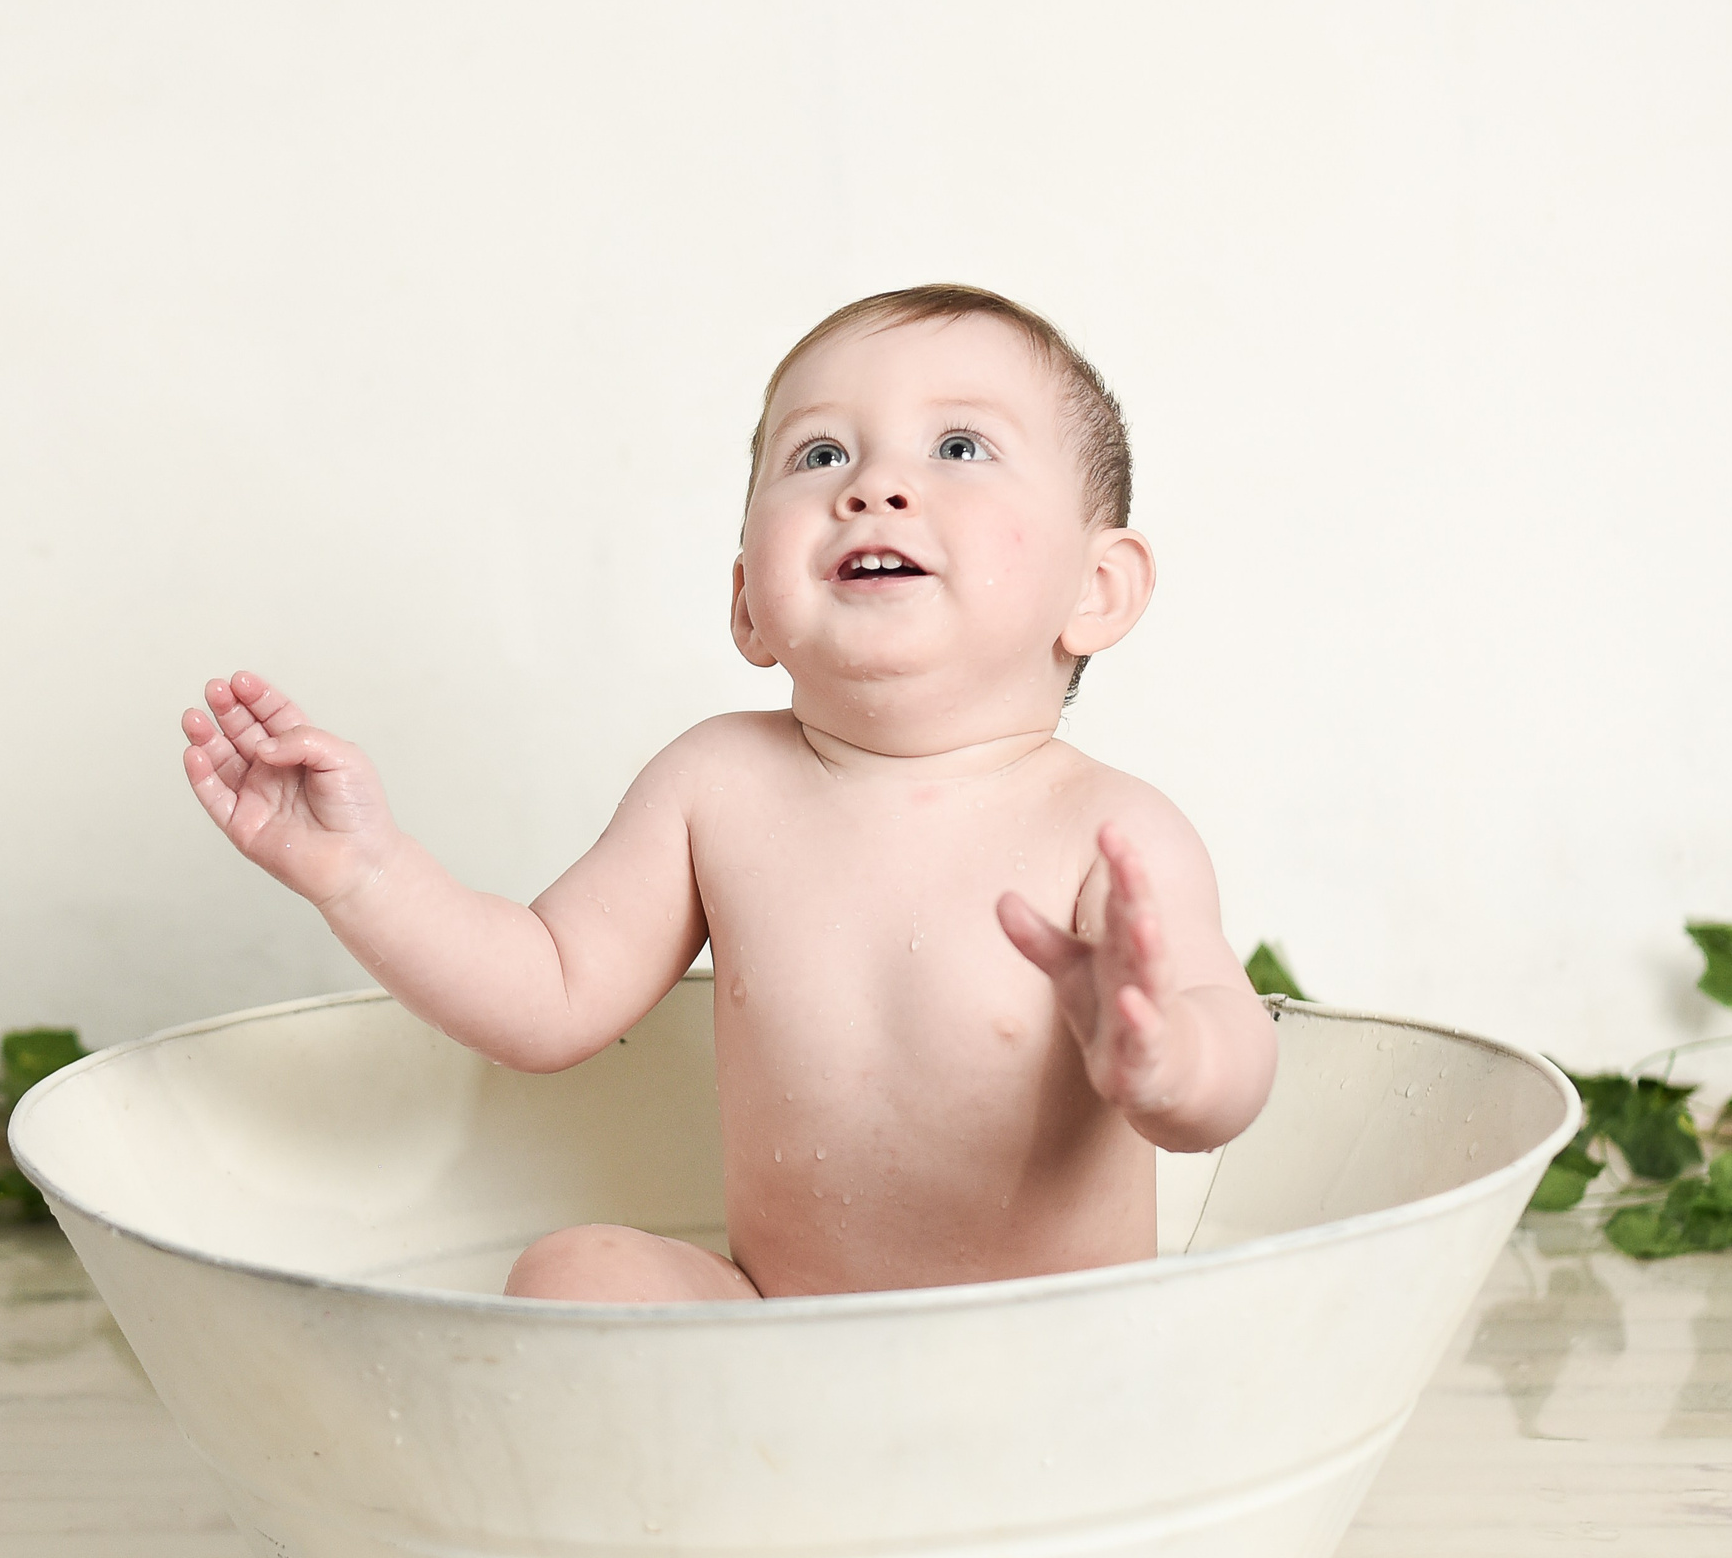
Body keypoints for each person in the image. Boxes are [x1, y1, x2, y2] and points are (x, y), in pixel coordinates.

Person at [179, 285, 1277, 1300]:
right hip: (778, 1346)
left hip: (1046, 1346)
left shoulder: (1108, 829)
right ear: (749, 602)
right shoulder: (718, 784)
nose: (873, 484)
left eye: (958, 445)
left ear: (1096, 588)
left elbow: (1228, 1049)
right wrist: (366, 873)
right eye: (820, 451)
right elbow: (548, 994)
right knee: (576, 1276)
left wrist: (1165, 1058)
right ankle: (745, 1486)